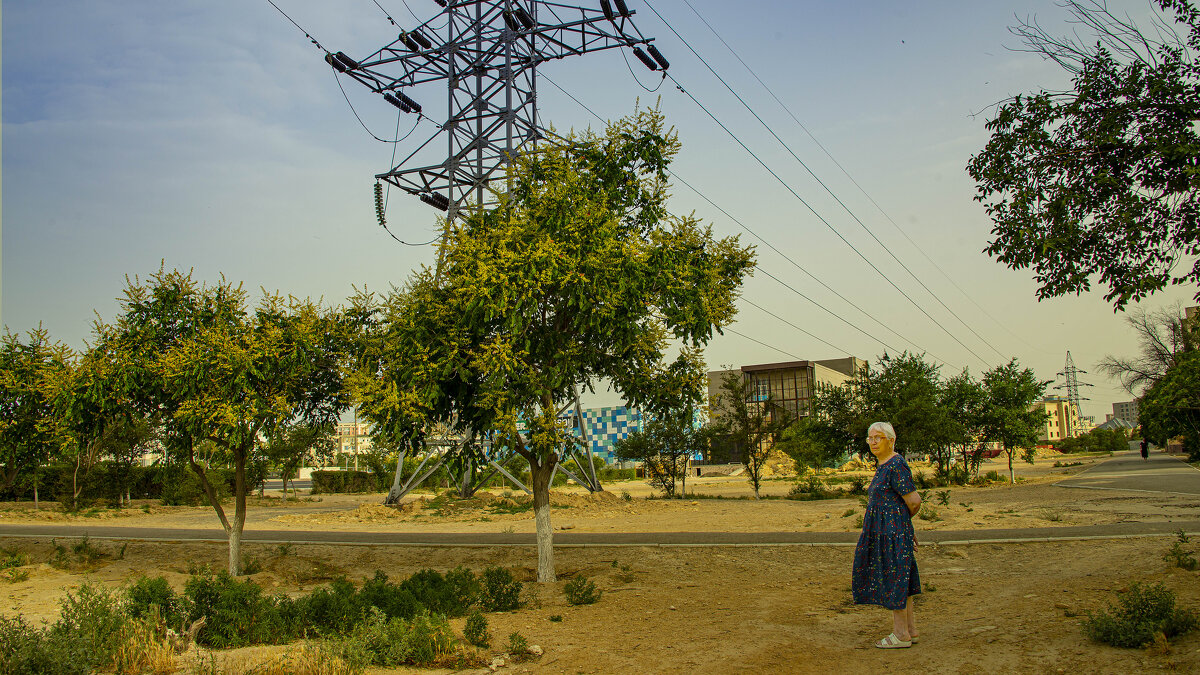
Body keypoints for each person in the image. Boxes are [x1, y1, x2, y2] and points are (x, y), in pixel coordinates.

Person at [852, 422, 923, 649]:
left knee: (895, 580)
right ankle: (910, 630)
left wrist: (899, 525)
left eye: (878, 437)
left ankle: (900, 634)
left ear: (891, 440)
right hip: (886, 532)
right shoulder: (884, 464)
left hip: (893, 535)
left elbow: (914, 501)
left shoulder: (896, 465)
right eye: (869, 438)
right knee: (902, 580)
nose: (873, 442)